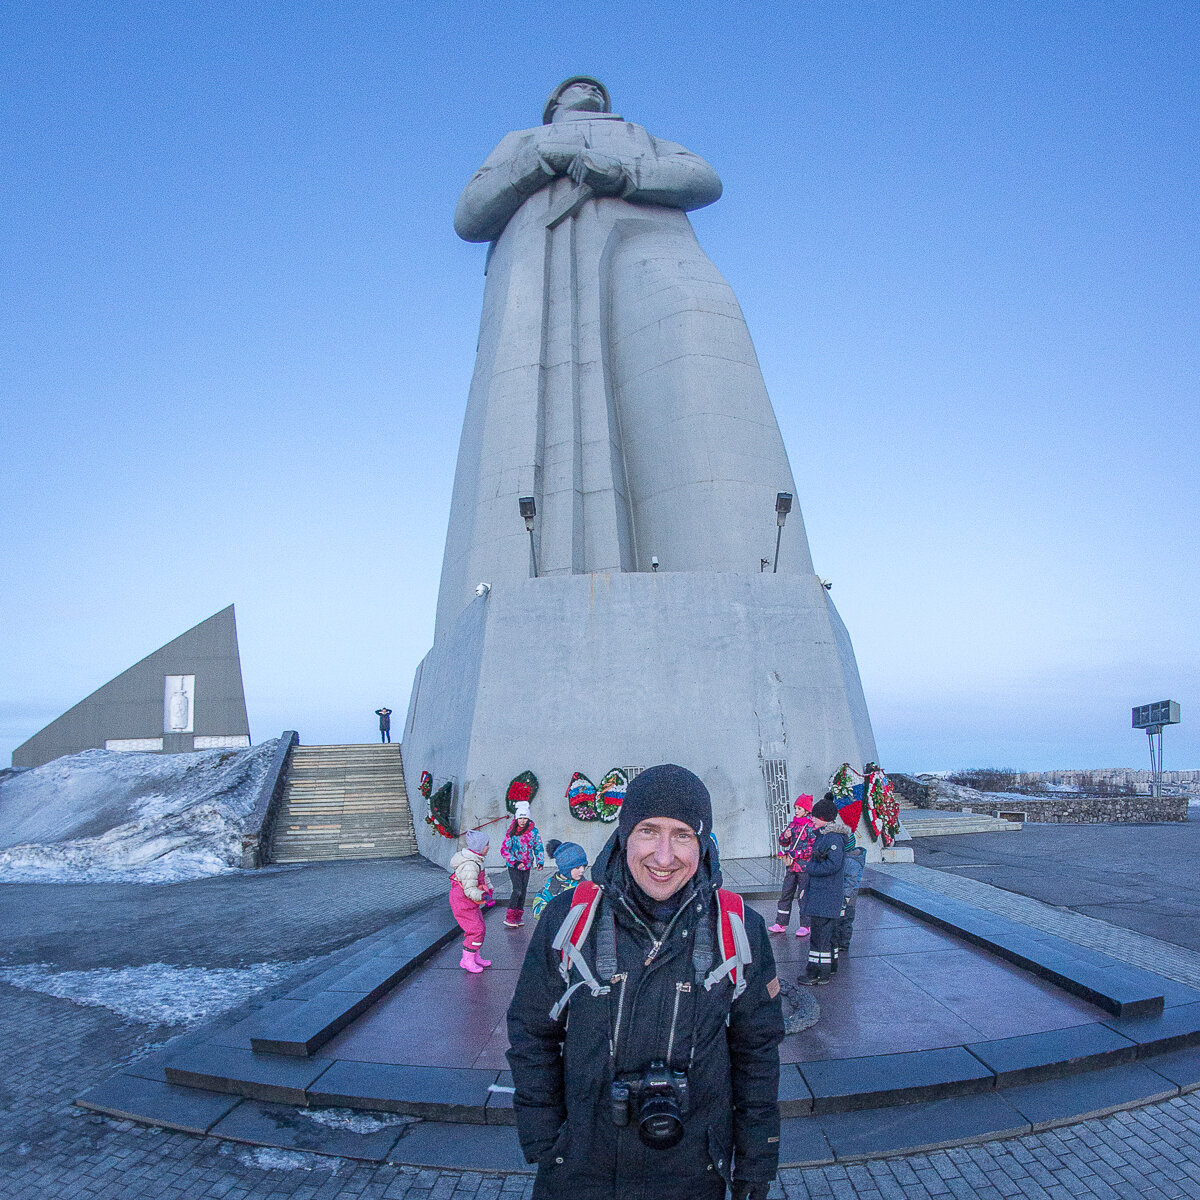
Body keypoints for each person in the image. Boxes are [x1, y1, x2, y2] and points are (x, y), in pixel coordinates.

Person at [507, 764, 784, 1200]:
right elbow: (531, 1032)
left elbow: (757, 1051)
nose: (663, 856)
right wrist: (547, 1140)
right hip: (581, 1168)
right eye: (648, 831)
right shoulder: (568, 919)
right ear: (623, 834)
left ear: (703, 842)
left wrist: (756, 1159)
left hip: (692, 1169)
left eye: (683, 835)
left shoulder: (739, 928)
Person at [797, 794, 852, 986]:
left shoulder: (832, 839)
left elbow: (833, 865)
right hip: (824, 895)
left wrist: (810, 868)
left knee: (820, 936)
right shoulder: (826, 837)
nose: (812, 819)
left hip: (825, 896)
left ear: (824, 818)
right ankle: (829, 967)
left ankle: (818, 972)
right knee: (826, 936)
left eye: (815, 816)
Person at [768, 794, 814, 937]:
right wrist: (785, 836)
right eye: (795, 808)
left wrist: (796, 854)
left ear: (806, 810)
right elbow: (783, 842)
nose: (796, 811)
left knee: (803, 896)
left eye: (799, 808)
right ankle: (780, 923)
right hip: (791, 867)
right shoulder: (792, 825)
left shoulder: (811, 826)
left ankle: (806, 925)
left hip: (804, 868)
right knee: (785, 894)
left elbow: (812, 848)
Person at [449, 828, 494, 973]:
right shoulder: (470, 865)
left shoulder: (478, 861)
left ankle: (474, 955)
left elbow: (484, 879)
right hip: (462, 902)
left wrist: (489, 890)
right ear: (479, 848)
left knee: (480, 927)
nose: (488, 847)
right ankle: (467, 960)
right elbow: (469, 890)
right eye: (486, 844)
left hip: (469, 902)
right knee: (475, 930)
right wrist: (482, 895)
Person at [501, 800, 546, 927]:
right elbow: (504, 850)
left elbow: (538, 847)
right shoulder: (511, 832)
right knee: (517, 890)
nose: (522, 820)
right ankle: (510, 917)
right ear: (516, 819)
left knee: (523, 890)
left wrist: (540, 861)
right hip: (514, 866)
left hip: (526, 865)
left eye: (525, 818)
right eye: (520, 818)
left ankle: (518, 917)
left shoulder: (533, 832)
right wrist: (514, 862)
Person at [531, 839, 588, 918]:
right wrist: (551, 915)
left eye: (584, 866)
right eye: (577, 867)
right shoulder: (551, 888)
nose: (582, 870)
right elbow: (538, 904)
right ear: (565, 869)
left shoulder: (585, 885)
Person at [833, 832, 867, 966]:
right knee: (843, 918)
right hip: (846, 895)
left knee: (846, 919)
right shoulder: (850, 858)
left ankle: (844, 942)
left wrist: (845, 897)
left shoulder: (851, 861)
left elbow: (850, 882)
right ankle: (841, 941)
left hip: (848, 897)